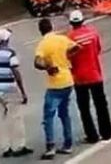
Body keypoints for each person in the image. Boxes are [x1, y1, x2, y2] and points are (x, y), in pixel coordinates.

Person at [34, 17, 79, 160]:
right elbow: (77, 47)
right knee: (64, 113)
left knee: (48, 116)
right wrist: (67, 57)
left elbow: (37, 62)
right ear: (51, 27)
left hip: (55, 84)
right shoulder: (61, 39)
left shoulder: (43, 44)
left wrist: (48, 67)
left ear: (41, 30)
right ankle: (68, 144)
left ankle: (50, 147)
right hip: (68, 80)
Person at [66, 9, 111, 143]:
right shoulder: (93, 33)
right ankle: (106, 133)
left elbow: (68, 57)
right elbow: (98, 50)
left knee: (84, 108)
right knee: (101, 105)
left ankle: (92, 136)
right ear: (83, 21)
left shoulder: (70, 38)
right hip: (95, 75)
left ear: (71, 23)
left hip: (79, 78)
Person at [0, 28, 33, 158]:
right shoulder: (10, 53)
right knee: (16, 118)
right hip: (10, 90)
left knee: (2, 119)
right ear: (7, 40)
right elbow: (16, 73)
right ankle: (19, 146)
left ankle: (5, 148)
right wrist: (23, 92)